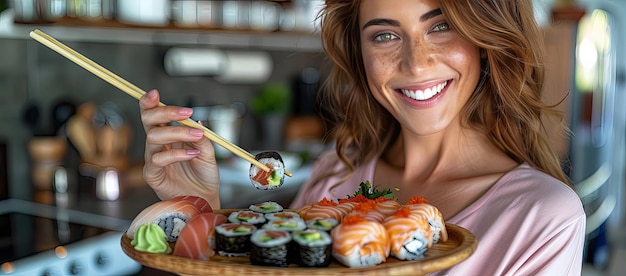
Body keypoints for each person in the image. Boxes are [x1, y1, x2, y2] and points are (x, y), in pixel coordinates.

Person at [139, 0, 585, 274]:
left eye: (441, 25)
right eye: (385, 35)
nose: (415, 62)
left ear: (489, 38)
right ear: (360, 55)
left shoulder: (543, 216)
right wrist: (204, 215)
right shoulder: (339, 170)